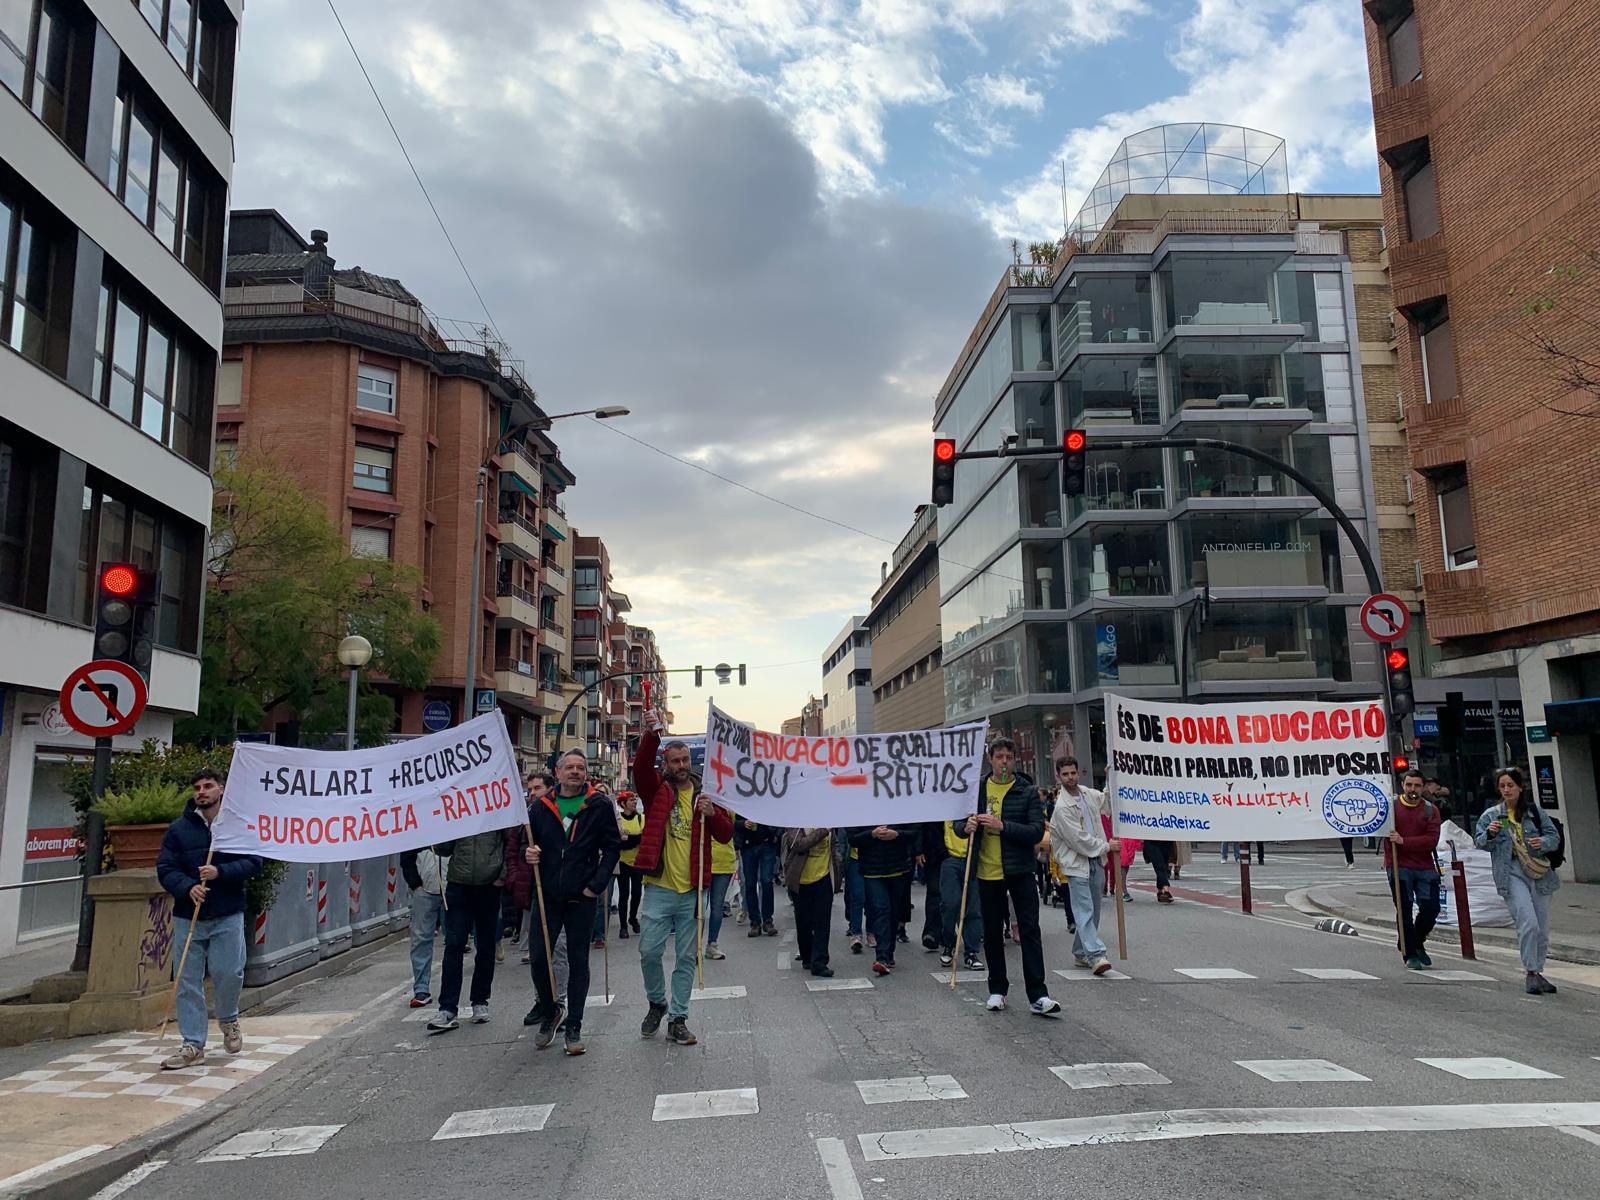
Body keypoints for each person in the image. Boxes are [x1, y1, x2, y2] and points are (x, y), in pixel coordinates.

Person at [632, 709, 735, 1046]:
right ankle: (657, 1002)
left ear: (690, 760)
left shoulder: (708, 794)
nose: (679, 765)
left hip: (692, 890)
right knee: (649, 952)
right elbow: (640, 767)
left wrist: (712, 814)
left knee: (687, 957)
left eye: (684, 759)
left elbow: (724, 833)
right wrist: (652, 734)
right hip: (659, 887)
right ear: (666, 763)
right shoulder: (655, 790)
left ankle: (678, 1016)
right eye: (673, 760)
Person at [155, 768, 262, 1070]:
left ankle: (228, 1019)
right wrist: (187, 887)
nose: (201, 791)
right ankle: (192, 1043)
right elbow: (165, 867)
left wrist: (221, 872)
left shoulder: (238, 826)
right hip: (188, 915)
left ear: (221, 789)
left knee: (229, 972)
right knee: (187, 980)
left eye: (208, 786)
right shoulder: (178, 829)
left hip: (227, 911)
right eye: (197, 787)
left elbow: (254, 862)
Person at [521, 749, 620, 1055]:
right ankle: (551, 1010)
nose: (576, 771)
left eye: (581, 767)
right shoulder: (540, 806)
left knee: (579, 961)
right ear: (559, 772)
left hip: (582, 895)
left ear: (586, 772)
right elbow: (526, 840)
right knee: (539, 956)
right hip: (547, 893)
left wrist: (596, 886)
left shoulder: (599, 805)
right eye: (570, 767)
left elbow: (613, 847)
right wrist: (529, 852)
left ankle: (574, 1024)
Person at [967, 738, 1061, 1016]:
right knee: (993, 933)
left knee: (1030, 930)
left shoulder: (1027, 790)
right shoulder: (978, 789)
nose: (1004, 762)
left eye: (1009, 757)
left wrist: (1002, 826)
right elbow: (961, 823)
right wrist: (968, 825)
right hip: (987, 870)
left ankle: (1038, 994)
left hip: (1020, 870)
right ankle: (997, 989)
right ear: (990, 759)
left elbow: (1035, 831)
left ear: (1014, 760)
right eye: (999, 757)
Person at [1474, 767, 1562, 996]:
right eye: (1502, 786)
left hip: (1539, 873)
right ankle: (1530, 972)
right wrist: (1490, 835)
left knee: (1541, 928)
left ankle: (1539, 970)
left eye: (1510, 785)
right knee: (1528, 922)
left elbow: (1554, 837)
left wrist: (1542, 842)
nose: (1506, 790)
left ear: (1519, 787)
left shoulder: (1534, 812)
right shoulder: (1492, 815)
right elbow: (1479, 842)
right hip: (1510, 872)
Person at [426, 821, 508, 1033]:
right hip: (459, 884)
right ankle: (447, 1008)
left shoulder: (497, 810)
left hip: (489, 885)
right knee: (454, 945)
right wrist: (433, 834)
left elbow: (510, 844)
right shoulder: (459, 811)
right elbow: (445, 849)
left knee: (486, 945)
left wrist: (502, 875)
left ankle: (480, 1001)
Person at [1047, 756, 1114, 975]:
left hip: (1095, 861)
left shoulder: (1087, 794)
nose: (1070, 777)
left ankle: (1079, 951)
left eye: (1073, 773)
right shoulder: (1062, 807)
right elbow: (1079, 840)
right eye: (1065, 774)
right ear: (1059, 776)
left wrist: (1111, 778)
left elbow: (1106, 803)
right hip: (1076, 864)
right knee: (1084, 909)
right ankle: (1096, 955)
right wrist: (1106, 846)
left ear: (1079, 772)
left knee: (1092, 911)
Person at [1386, 768, 1443, 971]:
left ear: (1423, 787)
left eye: (1417, 785)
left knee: (1431, 908)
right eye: (1409, 785)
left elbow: (1431, 840)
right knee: (1405, 908)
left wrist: (1404, 841)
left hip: (1424, 867)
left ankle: (1415, 941)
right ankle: (1410, 953)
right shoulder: (1391, 808)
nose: (1413, 789)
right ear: (1402, 785)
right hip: (1398, 866)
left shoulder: (1430, 810)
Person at [848, 820, 916, 975]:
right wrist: (872, 834)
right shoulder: (860, 806)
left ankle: (888, 952)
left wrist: (897, 834)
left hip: (898, 867)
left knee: (893, 913)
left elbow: (915, 832)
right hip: (872, 869)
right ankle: (882, 956)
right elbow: (852, 837)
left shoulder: (903, 803)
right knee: (881, 910)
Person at [782, 827, 838, 976]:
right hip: (800, 880)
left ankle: (819, 962)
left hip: (824, 877)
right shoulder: (797, 821)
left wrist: (839, 864)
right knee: (804, 922)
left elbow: (835, 845)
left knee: (822, 922)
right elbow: (798, 845)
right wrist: (823, 831)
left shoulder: (830, 819)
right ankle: (807, 956)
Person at [938, 811, 984, 971]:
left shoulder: (977, 801)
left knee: (972, 908)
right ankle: (948, 943)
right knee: (950, 903)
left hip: (974, 858)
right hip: (950, 858)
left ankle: (971, 952)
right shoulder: (946, 801)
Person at [400, 844, 444, 1007]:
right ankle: (421, 989)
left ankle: (451, 989)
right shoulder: (420, 826)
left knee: (455, 942)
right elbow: (406, 856)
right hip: (425, 889)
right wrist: (415, 884)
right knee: (420, 939)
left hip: (454, 886)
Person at [736, 818, 781, 937]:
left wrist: (776, 833)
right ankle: (755, 922)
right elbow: (733, 819)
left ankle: (767, 920)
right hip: (748, 845)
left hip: (767, 843)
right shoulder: (743, 799)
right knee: (750, 884)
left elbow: (777, 812)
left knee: (766, 882)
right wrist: (743, 823)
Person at [705, 812, 737, 960]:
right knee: (697, 908)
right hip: (703, 861)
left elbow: (733, 827)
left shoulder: (729, 806)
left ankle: (712, 944)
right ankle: (693, 946)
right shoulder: (702, 803)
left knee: (717, 907)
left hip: (724, 862)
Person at [616, 791, 645, 939]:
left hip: (637, 862)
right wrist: (634, 839)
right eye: (631, 800)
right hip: (622, 862)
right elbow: (618, 842)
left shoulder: (641, 818)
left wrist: (628, 839)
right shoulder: (618, 819)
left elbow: (643, 839)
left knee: (637, 893)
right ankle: (623, 926)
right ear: (623, 803)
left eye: (635, 799)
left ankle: (633, 918)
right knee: (624, 894)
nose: (634, 802)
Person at [919, 821, 947, 951]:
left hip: (957, 849)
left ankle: (947, 932)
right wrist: (918, 850)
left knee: (953, 896)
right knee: (934, 892)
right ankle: (931, 932)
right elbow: (920, 822)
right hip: (933, 849)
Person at [841, 832, 865, 952]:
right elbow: (842, 839)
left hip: (873, 857)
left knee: (872, 898)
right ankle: (856, 933)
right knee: (857, 896)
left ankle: (872, 931)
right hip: (853, 859)